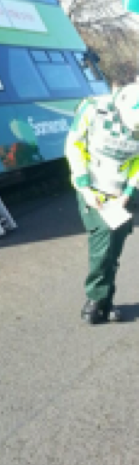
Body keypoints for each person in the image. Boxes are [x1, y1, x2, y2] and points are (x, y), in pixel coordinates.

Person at [65, 83, 139, 324]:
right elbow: (74, 146)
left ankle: (105, 302)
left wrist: (128, 193)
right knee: (103, 240)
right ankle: (94, 301)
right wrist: (85, 188)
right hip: (92, 188)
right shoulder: (93, 109)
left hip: (122, 193)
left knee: (114, 244)